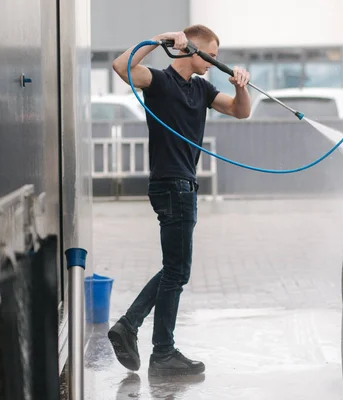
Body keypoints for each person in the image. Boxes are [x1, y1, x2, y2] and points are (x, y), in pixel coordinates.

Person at [107, 25, 251, 376]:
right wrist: (160, 41)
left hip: (183, 185)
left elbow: (239, 111)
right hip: (172, 185)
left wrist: (240, 88)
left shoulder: (201, 88)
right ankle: (155, 346)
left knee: (176, 269)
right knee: (177, 270)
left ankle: (142, 335)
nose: (215, 64)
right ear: (193, 51)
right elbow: (119, 66)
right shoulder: (158, 81)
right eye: (211, 56)